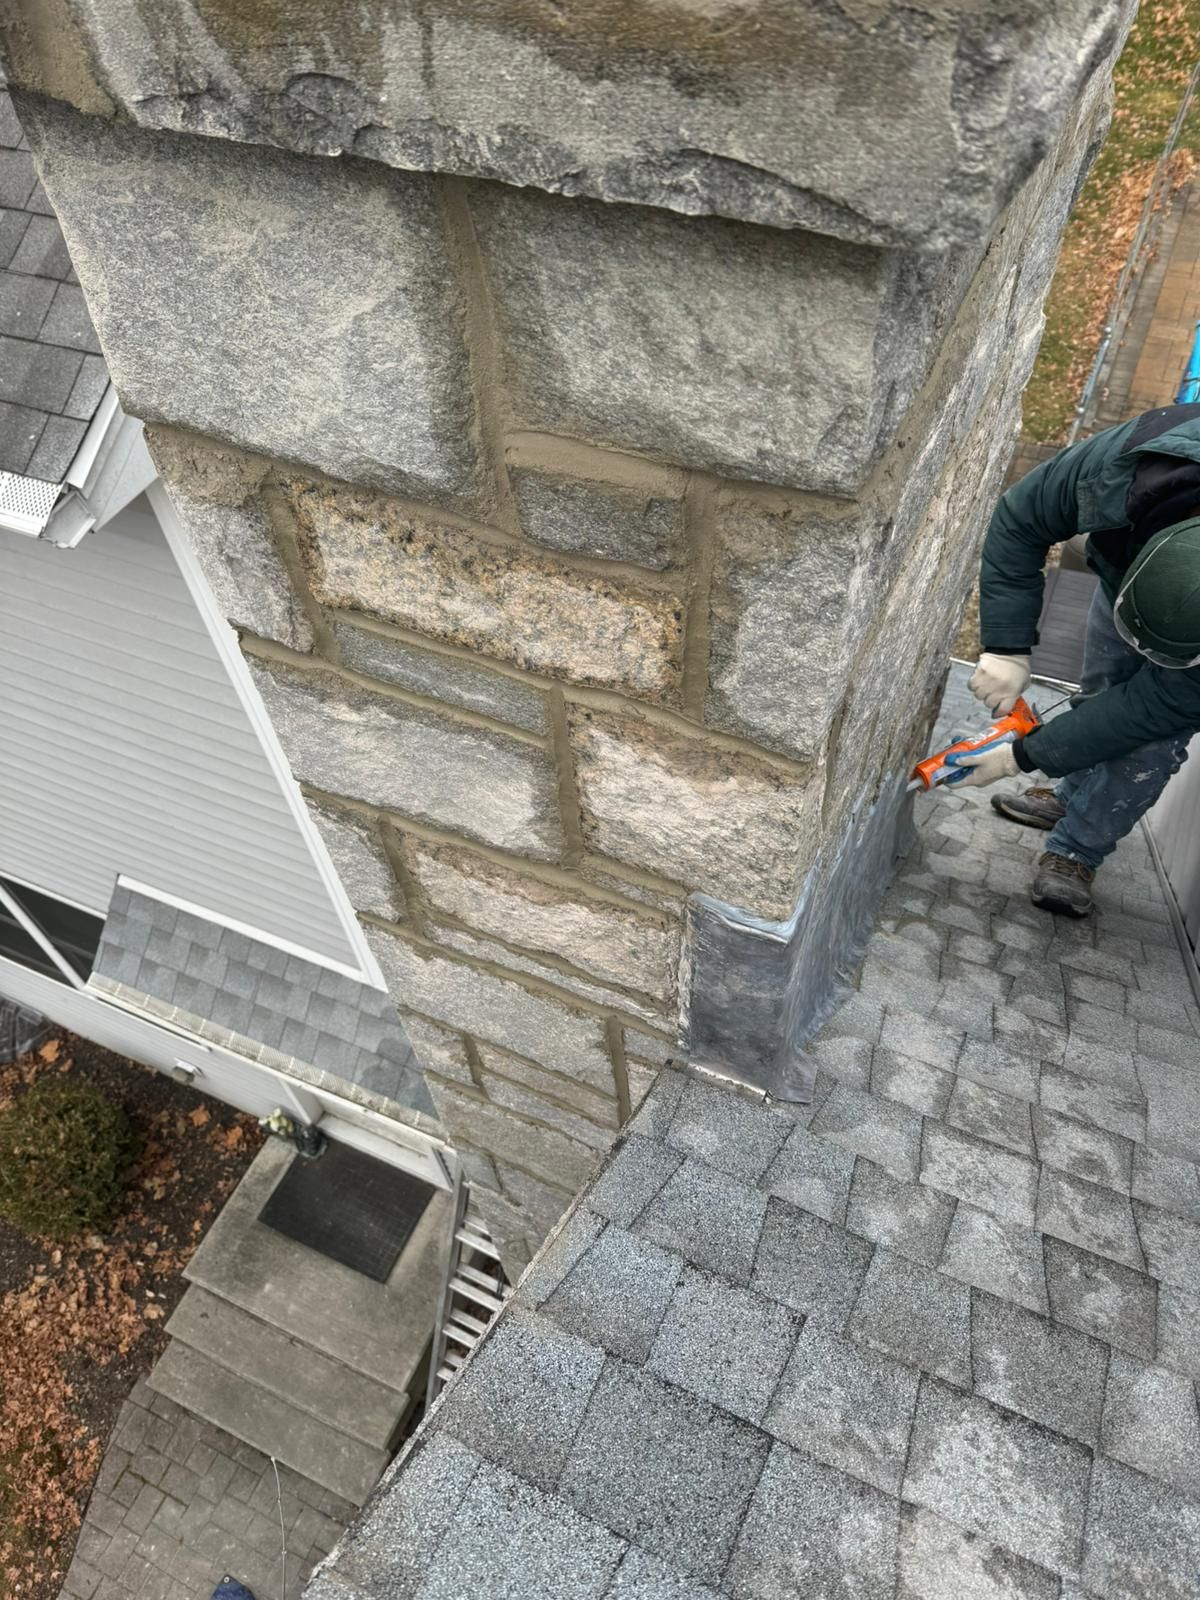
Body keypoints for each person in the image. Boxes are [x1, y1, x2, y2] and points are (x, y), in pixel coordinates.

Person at [948, 403, 1200, 917]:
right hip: (1129, 564)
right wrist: (1006, 644)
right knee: (1105, 683)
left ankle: (1076, 850)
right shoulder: (1129, 465)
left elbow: (1149, 709)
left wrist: (1016, 757)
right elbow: (1022, 518)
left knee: (1148, 743)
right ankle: (1073, 793)